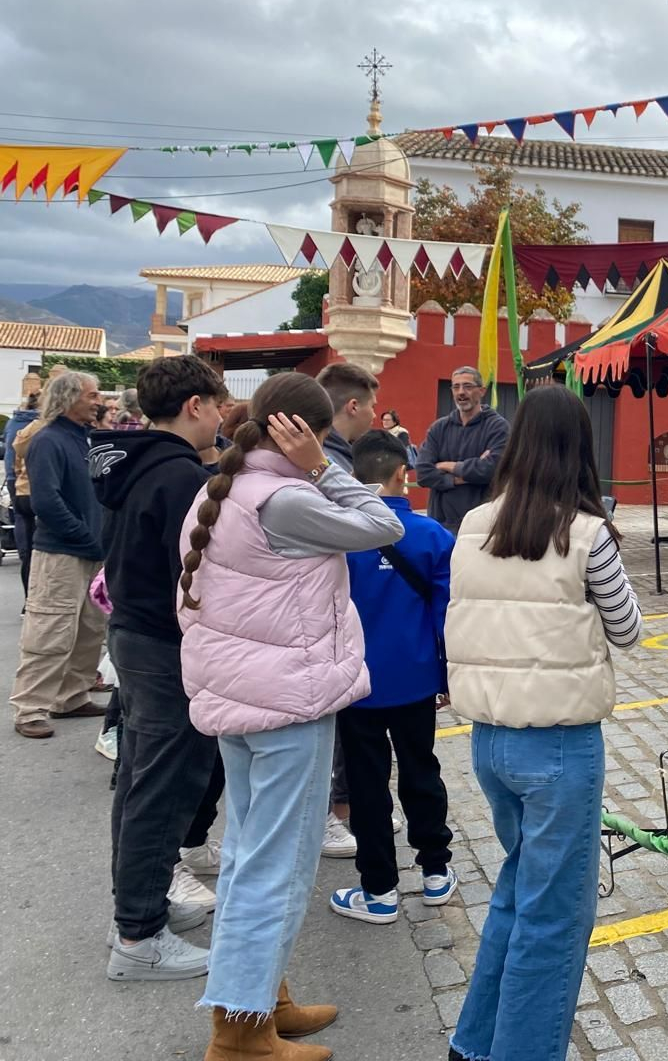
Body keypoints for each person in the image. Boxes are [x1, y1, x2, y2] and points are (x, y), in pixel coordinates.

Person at [177, 372, 401, 1060]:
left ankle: (257, 999)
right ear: (308, 430)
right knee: (277, 865)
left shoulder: (226, 489)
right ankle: (240, 1035)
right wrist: (322, 469)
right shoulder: (282, 497)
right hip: (286, 704)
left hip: (247, 699)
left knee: (250, 854)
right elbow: (385, 524)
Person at [444, 386, 641, 1061]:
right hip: (559, 746)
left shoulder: (474, 525)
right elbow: (629, 630)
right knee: (554, 918)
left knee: (519, 890)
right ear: (580, 449)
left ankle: (474, 1044)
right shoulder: (587, 534)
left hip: (490, 741)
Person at [92, 355, 229, 981]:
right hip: (164, 643)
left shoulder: (134, 460)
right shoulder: (179, 477)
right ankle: (139, 935)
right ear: (194, 405)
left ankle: (143, 905)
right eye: (219, 402)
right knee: (165, 782)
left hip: (133, 634)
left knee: (138, 776)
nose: (224, 414)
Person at [328, 430, 457, 925]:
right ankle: (435, 872)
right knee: (422, 771)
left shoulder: (337, 537)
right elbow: (446, 615)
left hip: (356, 684)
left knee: (366, 784)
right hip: (416, 680)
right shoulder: (432, 537)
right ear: (404, 473)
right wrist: (445, 675)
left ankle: (378, 889)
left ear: (354, 475)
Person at [10, 371, 109, 739]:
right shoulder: (48, 441)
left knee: (88, 628)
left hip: (88, 550)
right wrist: (86, 535)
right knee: (50, 629)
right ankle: (30, 707)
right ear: (69, 398)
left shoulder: (83, 439)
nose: (98, 400)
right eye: (92, 394)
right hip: (61, 553)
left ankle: (70, 696)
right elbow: (45, 501)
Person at [314, 361, 381, 860]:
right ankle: (332, 813)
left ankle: (340, 805)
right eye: (371, 405)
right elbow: (370, 526)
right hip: (323, 605)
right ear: (351, 405)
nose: (376, 416)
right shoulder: (326, 462)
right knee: (333, 716)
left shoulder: (328, 455)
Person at [416, 366, 509, 534]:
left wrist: (447, 466)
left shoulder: (497, 427)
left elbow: (491, 469)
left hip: (482, 526)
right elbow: (423, 473)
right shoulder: (439, 428)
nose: (461, 392)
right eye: (456, 386)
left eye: (467, 386)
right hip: (441, 525)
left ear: (481, 391)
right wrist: (461, 477)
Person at [5, 391, 40, 597]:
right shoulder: (43, 427)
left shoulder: (14, 423)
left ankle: (28, 598)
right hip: (34, 487)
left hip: (18, 484)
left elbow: (14, 457)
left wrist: (17, 477)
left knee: (23, 527)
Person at [315, 362, 379, 474]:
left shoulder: (311, 453)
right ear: (354, 407)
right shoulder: (331, 465)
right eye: (372, 406)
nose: (374, 415)